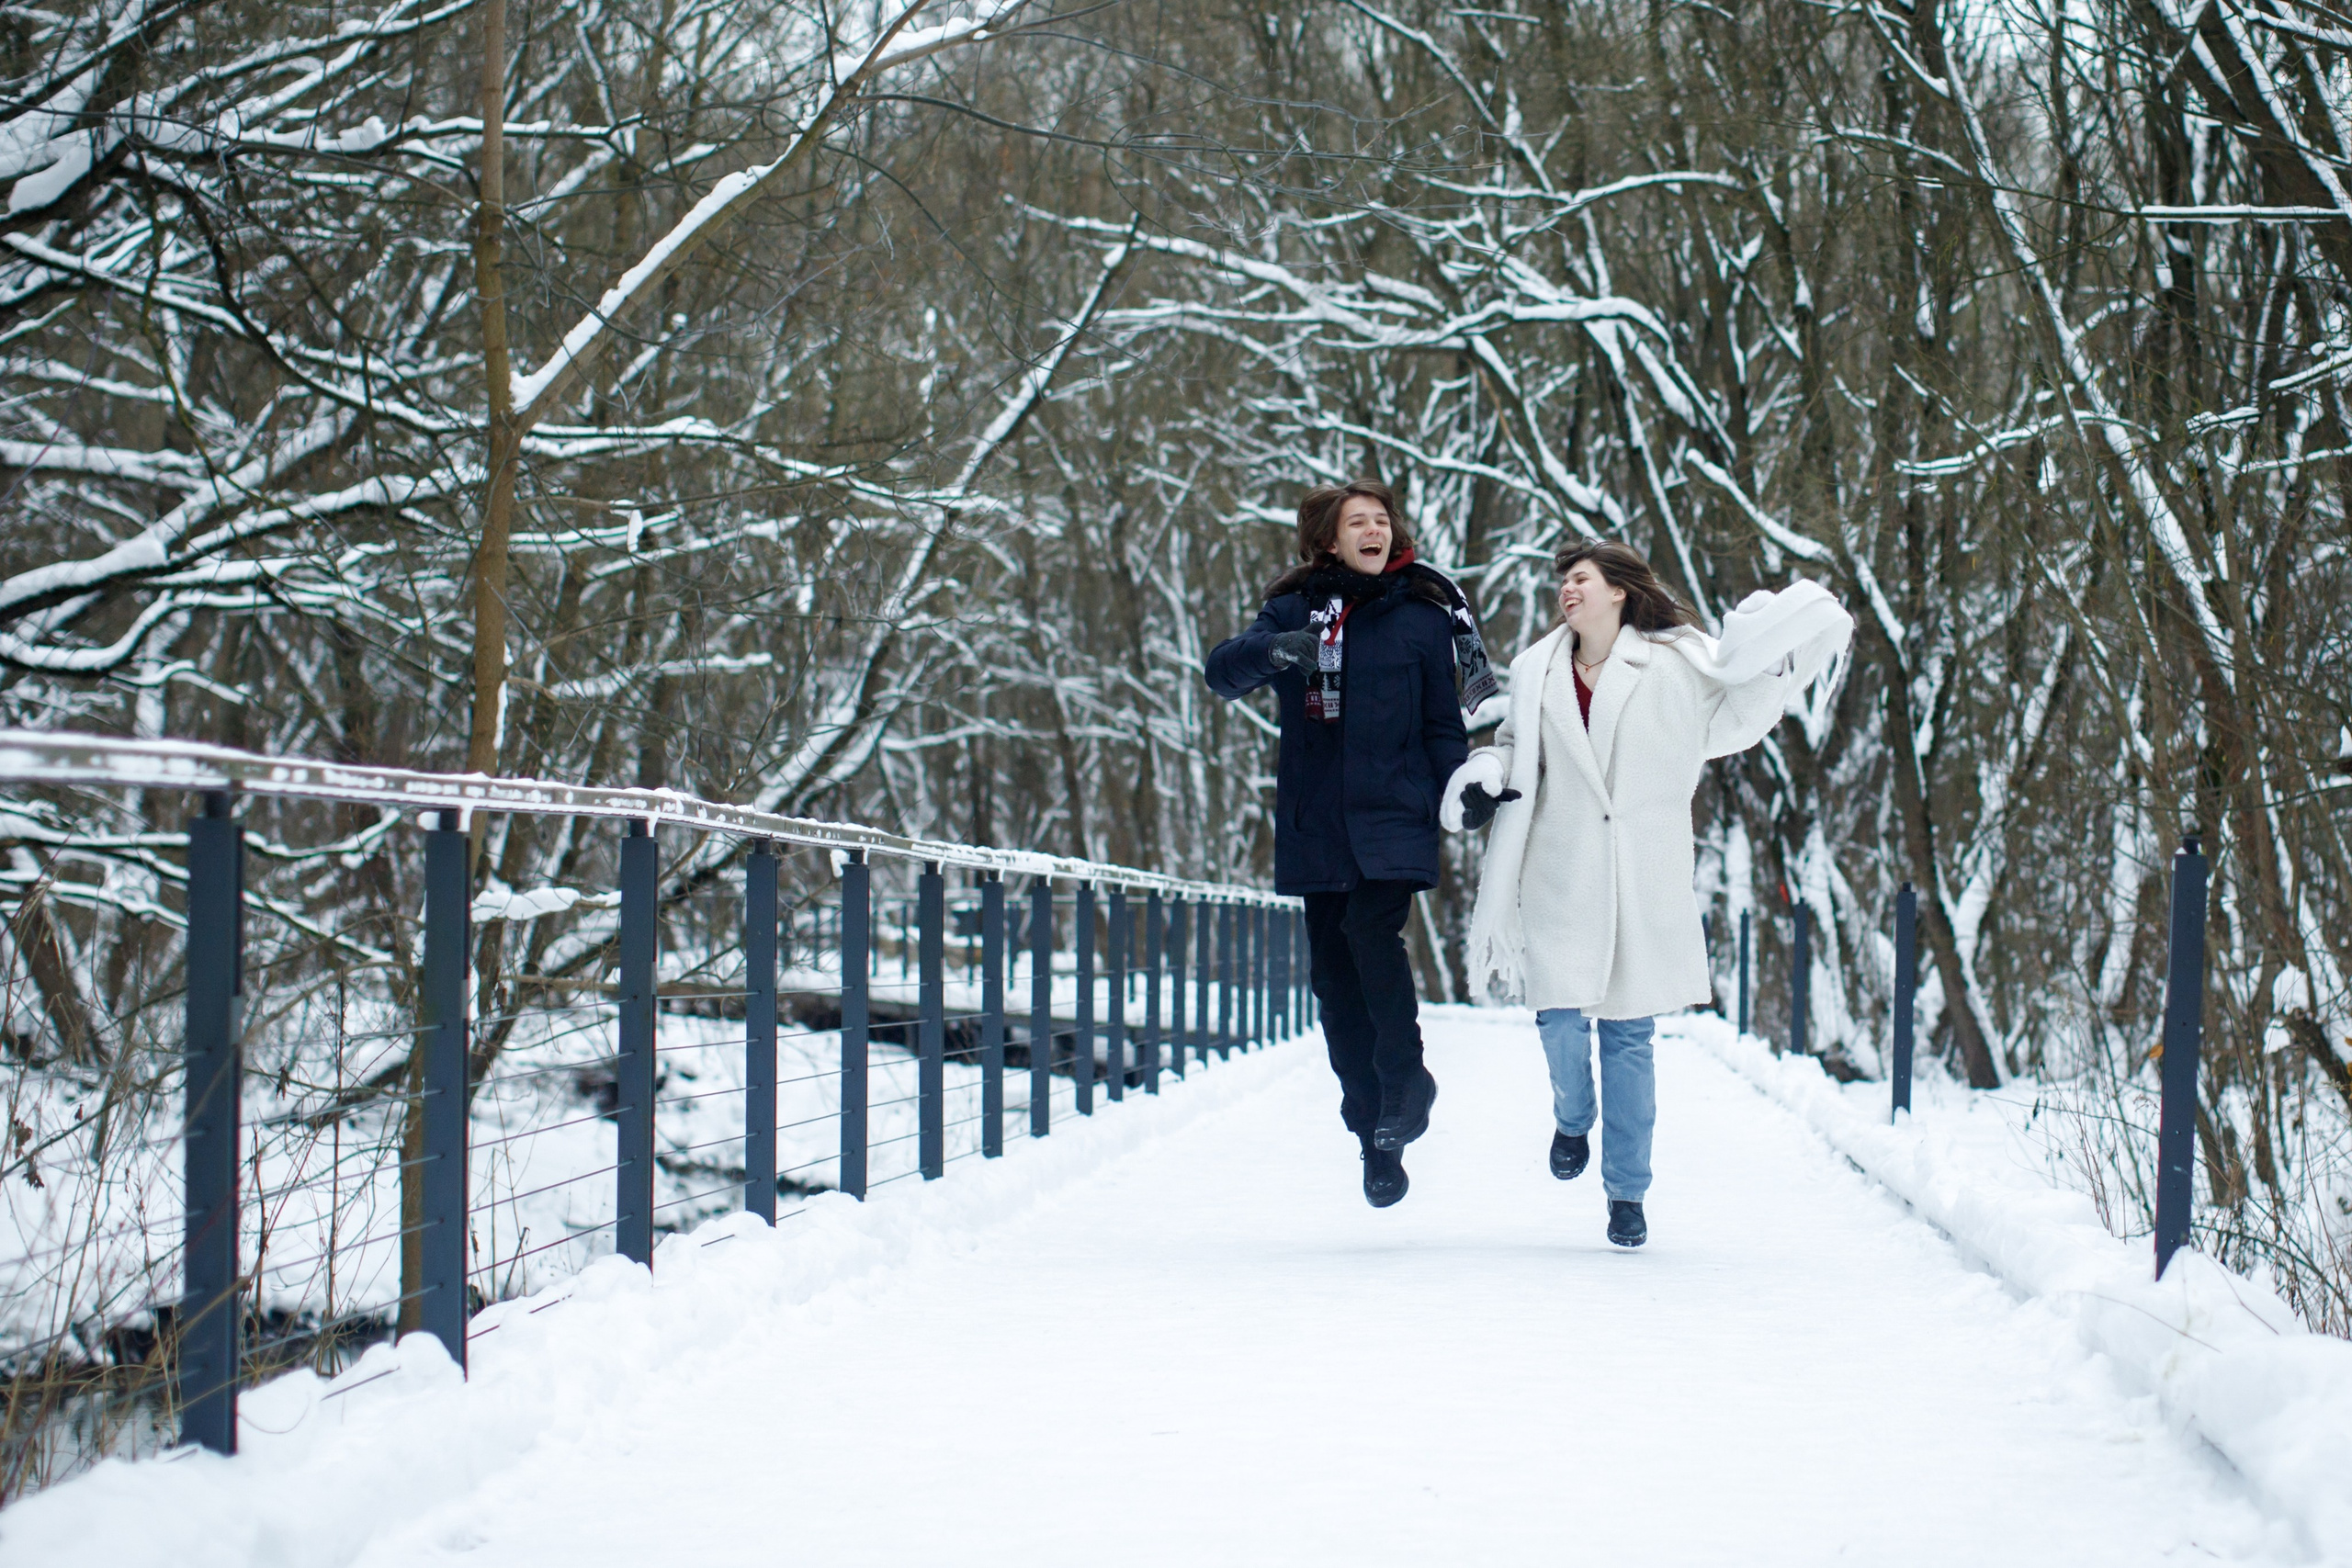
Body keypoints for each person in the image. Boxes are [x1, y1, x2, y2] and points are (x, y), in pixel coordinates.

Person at [1442, 541, 1851, 1247]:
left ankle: (1627, 1192)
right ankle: (1574, 1118)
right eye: (1564, 581)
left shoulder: (1673, 663)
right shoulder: (1538, 668)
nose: (1567, 591)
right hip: (1559, 871)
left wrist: (1784, 655)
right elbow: (1511, 742)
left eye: (1581, 579)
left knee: (1629, 1037)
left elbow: (1732, 719)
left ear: (1619, 593)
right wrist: (1485, 771)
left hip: (1640, 874)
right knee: (1560, 1020)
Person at [1204, 479, 1493, 1208]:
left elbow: (1442, 726)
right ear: (1329, 541)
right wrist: (1276, 650)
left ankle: (1408, 1080)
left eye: (1381, 519)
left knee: (1373, 933)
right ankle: (1373, 1132)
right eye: (1355, 522)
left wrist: (1460, 792)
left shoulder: (1427, 620)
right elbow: (1221, 670)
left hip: (1394, 814)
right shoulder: (1295, 610)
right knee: (1333, 980)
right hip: (1318, 821)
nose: (1373, 528)